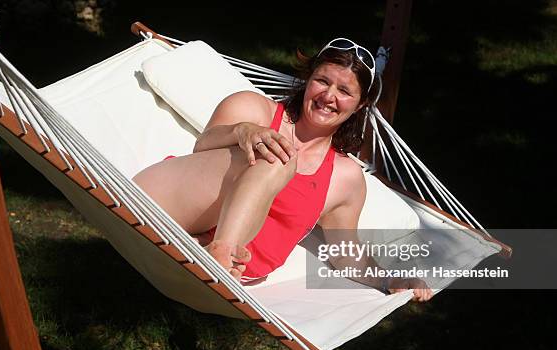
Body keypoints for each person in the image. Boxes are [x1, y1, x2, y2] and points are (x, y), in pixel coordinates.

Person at [133, 38, 433, 302]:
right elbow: (202, 148)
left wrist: (391, 280)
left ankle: (218, 253)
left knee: (281, 156)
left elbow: (345, 254)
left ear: (359, 105)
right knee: (279, 154)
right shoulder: (254, 109)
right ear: (308, 80)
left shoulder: (344, 178)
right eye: (322, 81)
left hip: (231, 265)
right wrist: (242, 132)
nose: (328, 96)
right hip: (164, 202)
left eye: (344, 90)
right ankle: (222, 252)